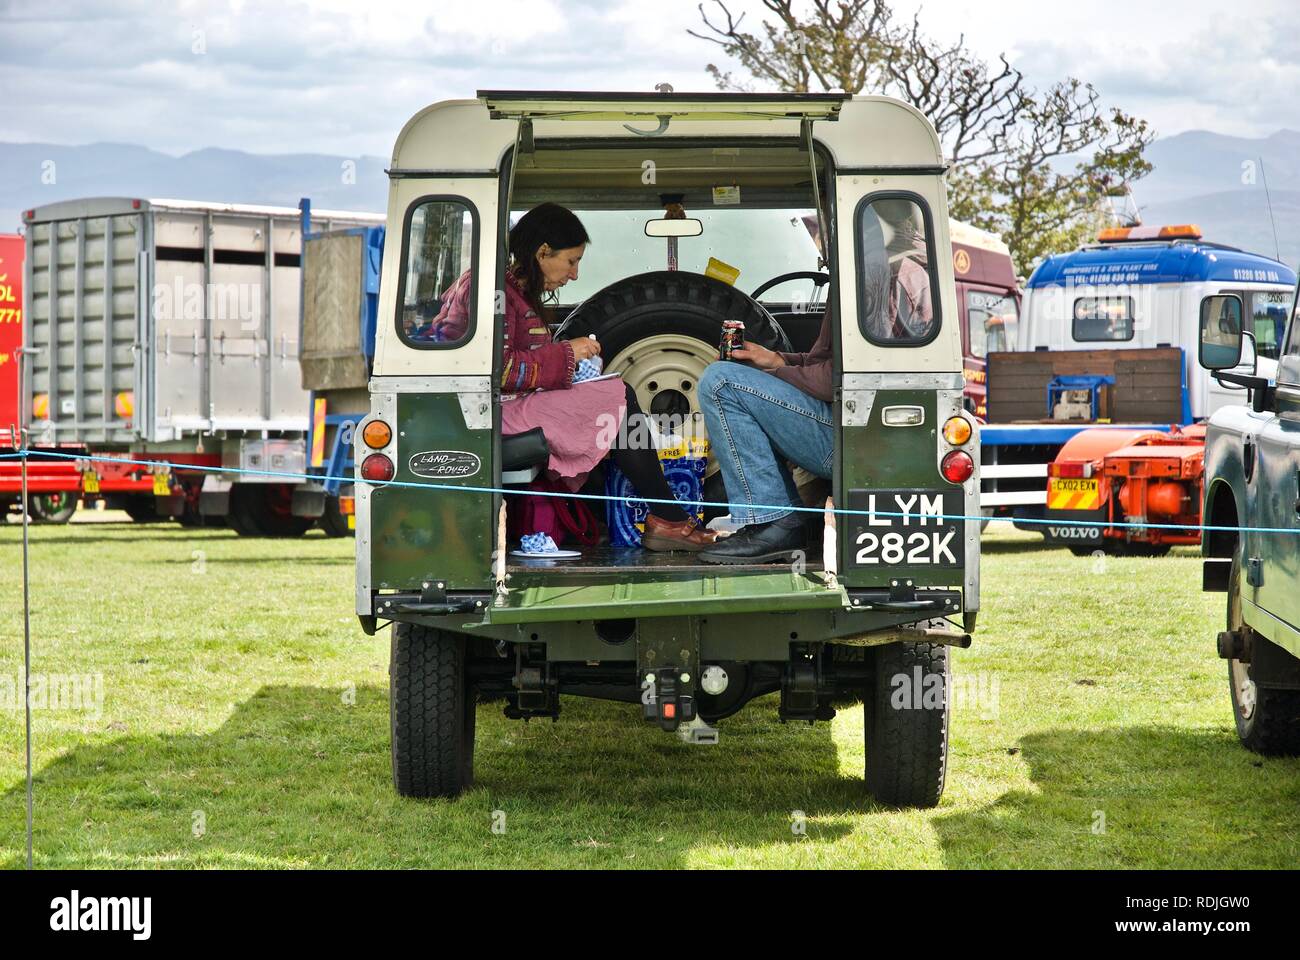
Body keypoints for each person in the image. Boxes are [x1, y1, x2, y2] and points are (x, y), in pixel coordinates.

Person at [424, 202, 715, 552]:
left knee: (614, 397)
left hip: (504, 406)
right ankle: (667, 519)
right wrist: (569, 353)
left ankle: (661, 519)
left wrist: (570, 362)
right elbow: (499, 369)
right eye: (571, 261)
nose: (574, 274)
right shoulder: (491, 290)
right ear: (543, 252)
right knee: (617, 401)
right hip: (484, 412)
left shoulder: (510, 289)